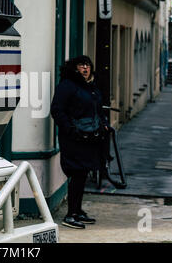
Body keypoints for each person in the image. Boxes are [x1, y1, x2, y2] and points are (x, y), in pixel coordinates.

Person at [51, 55, 108, 229]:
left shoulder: (90, 87)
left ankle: (77, 210)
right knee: (76, 173)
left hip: (90, 137)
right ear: (74, 68)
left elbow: (97, 109)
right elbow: (57, 110)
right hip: (74, 138)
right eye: (81, 65)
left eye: (88, 65)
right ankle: (71, 214)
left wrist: (104, 124)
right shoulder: (67, 86)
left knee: (82, 174)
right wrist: (70, 129)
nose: (85, 68)